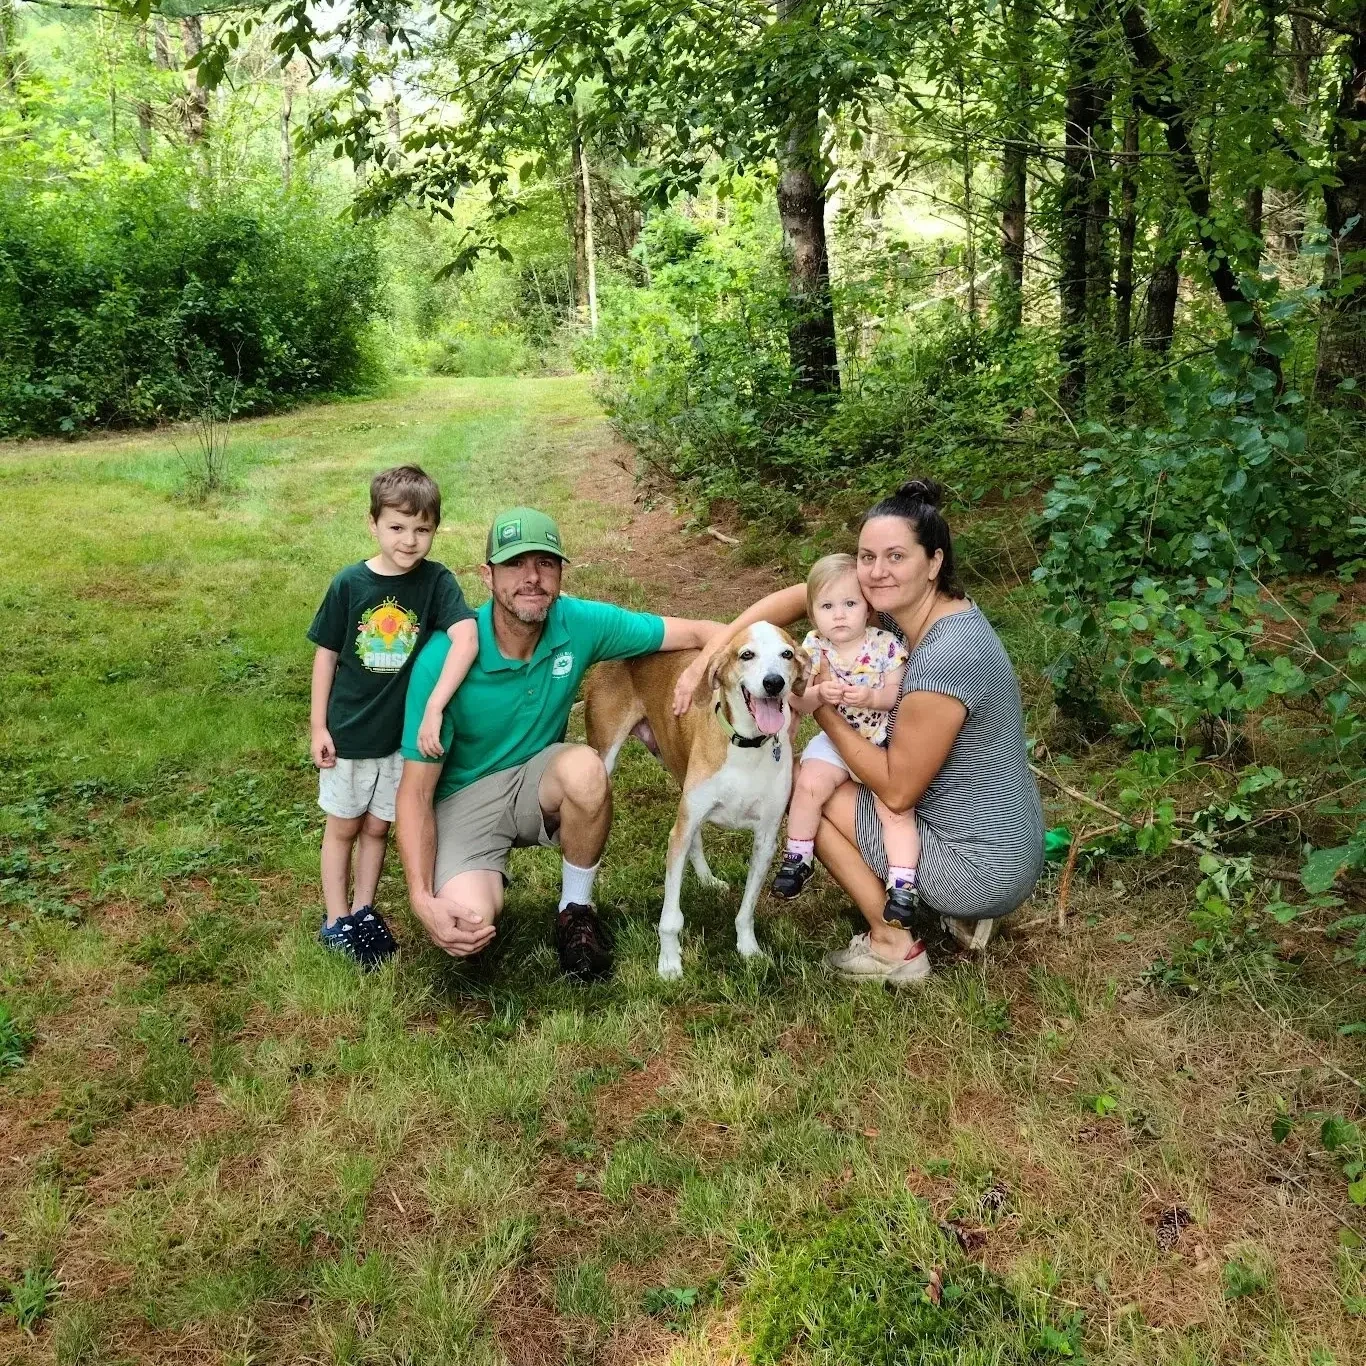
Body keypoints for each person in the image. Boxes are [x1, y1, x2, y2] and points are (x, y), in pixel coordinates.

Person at [674, 478, 1044, 985]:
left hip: (980, 866)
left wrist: (824, 710)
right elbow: (797, 598)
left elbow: (896, 790)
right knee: (827, 772)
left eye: (895, 556)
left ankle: (894, 943)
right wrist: (712, 656)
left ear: (934, 562)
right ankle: (927, 900)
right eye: (866, 557)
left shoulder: (948, 656)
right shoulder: (910, 614)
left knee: (805, 783)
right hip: (1005, 841)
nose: (876, 572)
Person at [395, 507, 722, 982]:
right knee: (467, 926)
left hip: (536, 779)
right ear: (487, 575)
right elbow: (414, 794)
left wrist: (701, 671)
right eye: (514, 564)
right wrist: (421, 899)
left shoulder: (577, 622)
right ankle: (466, 887)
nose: (532, 578)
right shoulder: (444, 659)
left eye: (545, 563)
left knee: (587, 769)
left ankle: (577, 911)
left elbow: (701, 632)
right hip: (464, 799)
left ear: (560, 572)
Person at [308, 465, 479, 968]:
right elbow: (325, 655)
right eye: (397, 527)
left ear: (435, 530)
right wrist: (319, 725)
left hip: (399, 739)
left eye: (422, 529)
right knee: (343, 827)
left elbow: (466, 636)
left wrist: (434, 705)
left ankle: (364, 910)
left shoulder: (435, 582)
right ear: (373, 524)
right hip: (350, 734)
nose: (410, 541)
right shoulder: (350, 584)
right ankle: (336, 920)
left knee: (379, 829)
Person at [774, 554, 922, 929]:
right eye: (827, 606)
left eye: (849, 604)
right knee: (807, 783)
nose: (839, 615)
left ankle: (902, 883)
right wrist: (820, 692)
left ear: (868, 608)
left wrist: (870, 698)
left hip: (881, 740)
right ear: (812, 612)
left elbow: (895, 695)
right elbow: (798, 702)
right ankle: (798, 855)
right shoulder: (812, 648)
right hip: (836, 741)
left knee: (895, 810)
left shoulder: (886, 646)